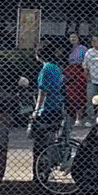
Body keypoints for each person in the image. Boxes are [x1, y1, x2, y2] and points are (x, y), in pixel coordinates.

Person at [30, 39, 65, 182]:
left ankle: (38, 175)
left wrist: (36, 110)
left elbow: (42, 92)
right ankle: (46, 172)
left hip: (46, 110)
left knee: (39, 144)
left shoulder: (45, 69)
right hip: (57, 108)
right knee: (50, 142)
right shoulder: (57, 68)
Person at [65, 32, 88, 127]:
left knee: (79, 94)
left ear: (78, 38)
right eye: (71, 37)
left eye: (75, 37)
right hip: (69, 71)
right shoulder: (67, 48)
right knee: (69, 94)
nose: (73, 39)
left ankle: (79, 117)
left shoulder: (83, 48)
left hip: (79, 70)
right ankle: (70, 116)